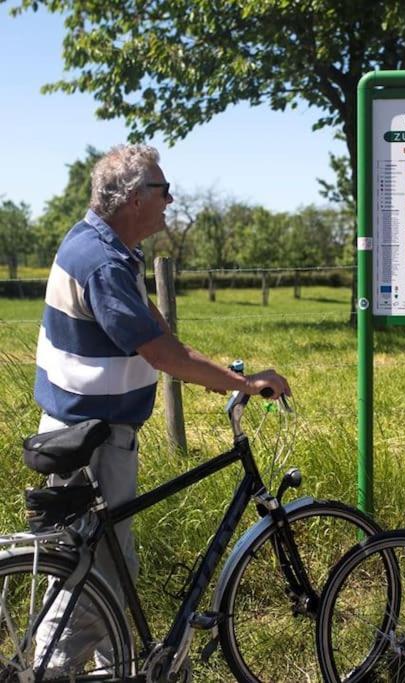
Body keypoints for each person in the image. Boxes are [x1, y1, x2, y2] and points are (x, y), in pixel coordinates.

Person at [33, 144, 290, 674]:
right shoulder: (103, 261)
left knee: (108, 568)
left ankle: (120, 668)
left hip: (84, 432)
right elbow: (162, 352)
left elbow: (153, 328)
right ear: (132, 198)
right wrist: (243, 380)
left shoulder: (101, 245)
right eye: (162, 189)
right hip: (90, 441)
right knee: (92, 579)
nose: (170, 199)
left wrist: (212, 377)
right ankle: (51, 673)